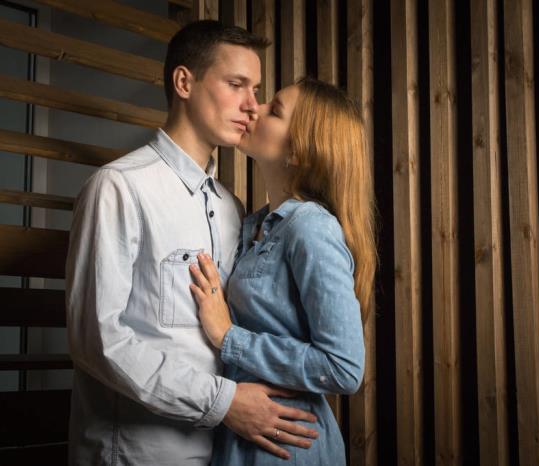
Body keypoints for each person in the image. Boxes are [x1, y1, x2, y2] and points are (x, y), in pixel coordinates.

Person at [65, 21, 318, 466]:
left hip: (223, 452)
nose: (251, 105)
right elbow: (99, 341)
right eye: (236, 84)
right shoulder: (119, 187)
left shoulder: (231, 208)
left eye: (256, 89)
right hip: (135, 455)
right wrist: (225, 402)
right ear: (184, 83)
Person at [189, 77, 376, 465]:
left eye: (273, 111)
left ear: (299, 151)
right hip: (240, 434)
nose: (252, 109)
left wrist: (228, 336)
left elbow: (344, 368)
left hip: (288, 445)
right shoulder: (253, 223)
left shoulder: (311, 228)